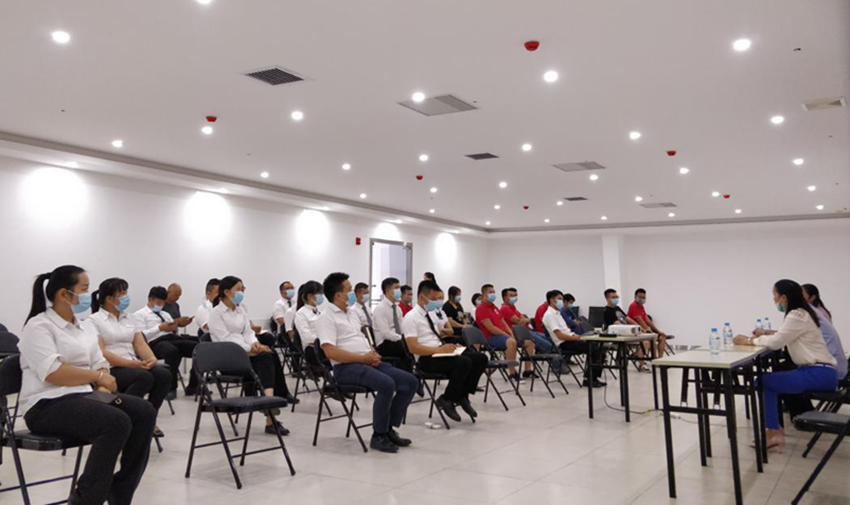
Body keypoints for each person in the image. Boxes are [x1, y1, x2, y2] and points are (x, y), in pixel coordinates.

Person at [19, 265, 156, 505]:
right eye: (83, 289)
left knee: (144, 411)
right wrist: (97, 378)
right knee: (116, 421)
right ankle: (86, 498)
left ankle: (120, 492)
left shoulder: (84, 327)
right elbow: (54, 373)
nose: (87, 295)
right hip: (46, 404)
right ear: (64, 294)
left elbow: (100, 363)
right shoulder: (39, 326)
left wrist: (101, 385)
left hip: (84, 396)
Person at [317, 272, 418, 453]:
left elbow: (361, 339)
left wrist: (372, 352)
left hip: (366, 361)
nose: (353, 293)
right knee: (386, 384)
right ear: (338, 294)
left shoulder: (352, 313)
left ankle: (388, 427)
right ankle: (379, 435)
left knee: (410, 381)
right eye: (349, 290)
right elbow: (330, 352)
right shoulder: (326, 318)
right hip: (345, 368)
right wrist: (363, 358)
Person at [733, 279, 838, 451]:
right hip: (821, 372)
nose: (774, 299)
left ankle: (773, 432)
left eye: (774, 295)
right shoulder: (803, 313)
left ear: (783, 297)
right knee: (768, 380)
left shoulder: (796, 315)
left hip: (818, 373)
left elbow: (776, 342)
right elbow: (783, 336)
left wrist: (748, 341)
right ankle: (774, 429)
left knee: (764, 381)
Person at [85, 278, 171, 437]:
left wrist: (151, 358)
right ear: (109, 298)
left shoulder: (131, 318)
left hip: (133, 364)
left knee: (163, 375)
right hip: (111, 368)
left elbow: (139, 343)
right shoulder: (94, 321)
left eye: (126, 292)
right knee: (143, 377)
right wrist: (132, 364)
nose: (126, 297)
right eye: (122, 293)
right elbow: (101, 351)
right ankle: (126, 415)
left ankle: (149, 416)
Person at [208, 276, 293, 433]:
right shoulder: (216, 314)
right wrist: (249, 349)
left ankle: (269, 408)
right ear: (226, 292)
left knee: (269, 354)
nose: (242, 292)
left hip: (246, 354)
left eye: (243, 289)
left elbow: (248, 332)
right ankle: (271, 406)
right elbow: (225, 340)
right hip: (228, 360)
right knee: (266, 357)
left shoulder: (241, 311)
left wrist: (255, 344)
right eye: (238, 289)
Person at [404, 280, 488, 423]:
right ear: (422, 297)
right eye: (434, 299)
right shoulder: (411, 317)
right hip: (427, 359)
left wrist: (449, 346)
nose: (437, 302)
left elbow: (440, 334)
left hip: (439, 351)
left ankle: (462, 395)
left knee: (480, 358)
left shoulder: (432, 314)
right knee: (464, 362)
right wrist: (439, 349)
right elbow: (413, 347)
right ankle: (447, 399)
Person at [134, 286, 199, 396]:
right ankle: (171, 388)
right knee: (171, 351)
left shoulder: (165, 314)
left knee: (198, 347)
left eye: (162, 303)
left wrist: (174, 328)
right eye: (158, 302)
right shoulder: (140, 315)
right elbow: (141, 336)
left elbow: (174, 331)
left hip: (172, 338)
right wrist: (159, 328)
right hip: (154, 343)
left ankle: (194, 385)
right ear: (150, 300)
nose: (160, 305)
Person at [541, 290, 605, 387]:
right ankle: (589, 379)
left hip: (571, 339)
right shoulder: (549, 315)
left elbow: (567, 330)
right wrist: (577, 338)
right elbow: (560, 336)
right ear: (551, 300)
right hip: (564, 343)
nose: (561, 301)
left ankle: (594, 377)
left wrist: (578, 336)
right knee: (594, 348)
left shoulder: (557, 313)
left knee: (599, 348)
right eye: (559, 299)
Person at [475, 284, 522, 381]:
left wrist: (510, 333)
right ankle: (512, 371)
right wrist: (507, 336)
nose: (493, 294)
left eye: (494, 292)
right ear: (484, 294)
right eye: (490, 292)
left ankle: (511, 369)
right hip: (490, 337)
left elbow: (503, 322)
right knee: (511, 342)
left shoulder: (494, 307)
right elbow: (491, 328)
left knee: (513, 340)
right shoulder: (481, 308)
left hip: (501, 335)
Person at [500, 287, 555, 368]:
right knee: (547, 345)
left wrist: (524, 320)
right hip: (519, 334)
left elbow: (524, 319)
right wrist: (524, 321)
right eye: (511, 295)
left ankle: (530, 369)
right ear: (505, 298)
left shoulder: (512, 307)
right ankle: (556, 365)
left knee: (550, 338)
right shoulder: (505, 308)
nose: (514, 297)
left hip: (527, 331)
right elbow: (519, 321)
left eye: (515, 295)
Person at [803, 284, 847, 380]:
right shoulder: (819, 310)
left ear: (813, 297)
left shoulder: (811, 311)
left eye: (802, 295)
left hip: (830, 364)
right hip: (834, 361)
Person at [372, 277, 414, 372]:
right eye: (396, 288)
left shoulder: (397, 308)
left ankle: (410, 372)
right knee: (405, 347)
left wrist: (407, 337)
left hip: (397, 341)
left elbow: (402, 327)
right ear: (388, 290)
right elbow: (385, 333)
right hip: (384, 344)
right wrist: (401, 339)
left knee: (410, 344)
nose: (399, 291)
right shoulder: (380, 309)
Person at [627, 288, 667, 359]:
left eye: (643, 297)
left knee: (662, 336)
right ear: (635, 297)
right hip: (637, 331)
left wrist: (658, 331)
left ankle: (660, 359)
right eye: (640, 297)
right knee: (652, 338)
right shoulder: (633, 305)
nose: (642, 299)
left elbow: (647, 319)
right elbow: (639, 320)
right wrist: (649, 330)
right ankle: (652, 359)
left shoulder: (641, 307)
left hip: (644, 331)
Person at [293, 280, 324, 348]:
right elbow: (307, 338)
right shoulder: (300, 314)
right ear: (309, 296)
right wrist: (325, 340)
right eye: (319, 294)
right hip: (313, 348)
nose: (321, 296)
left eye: (322, 294)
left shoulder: (320, 312)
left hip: (325, 344)